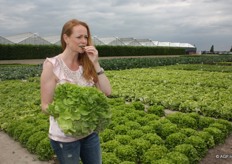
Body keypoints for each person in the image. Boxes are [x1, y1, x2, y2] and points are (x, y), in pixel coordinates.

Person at [40, 19, 111, 164]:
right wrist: (69, 114)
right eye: (79, 37)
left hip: (90, 134)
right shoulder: (52, 65)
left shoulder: (87, 63)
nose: (84, 41)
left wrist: (96, 63)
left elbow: (107, 92)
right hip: (65, 139)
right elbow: (45, 105)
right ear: (66, 38)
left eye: (86, 37)